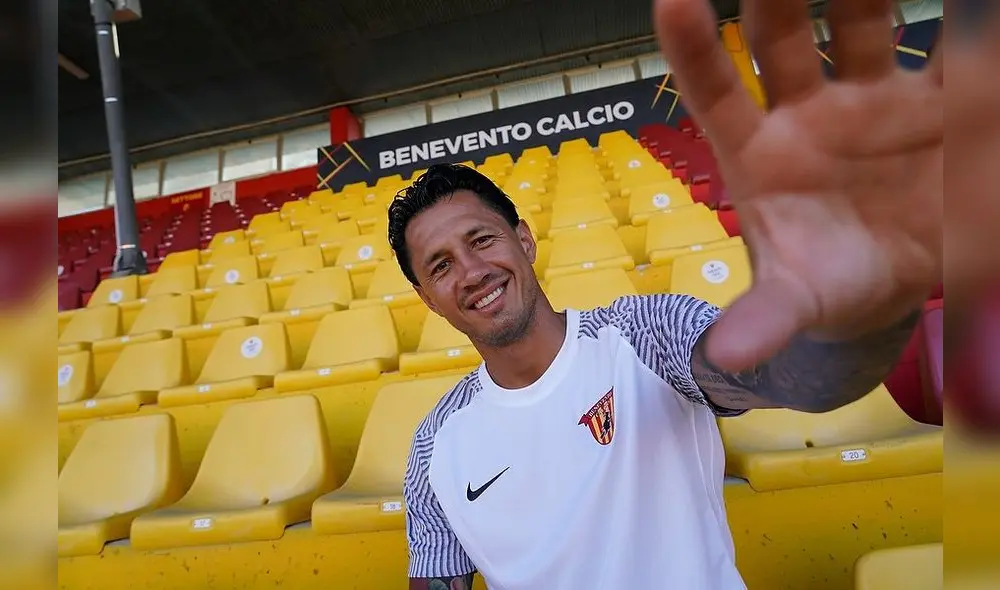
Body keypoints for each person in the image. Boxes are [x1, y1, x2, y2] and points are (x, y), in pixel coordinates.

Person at [387, 0, 944, 587]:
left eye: (482, 239)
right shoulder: (433, 447)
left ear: (524, 241)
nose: (472, 271)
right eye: (442, 265)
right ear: (427, 297)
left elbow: (783, 373)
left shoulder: (645, 335)